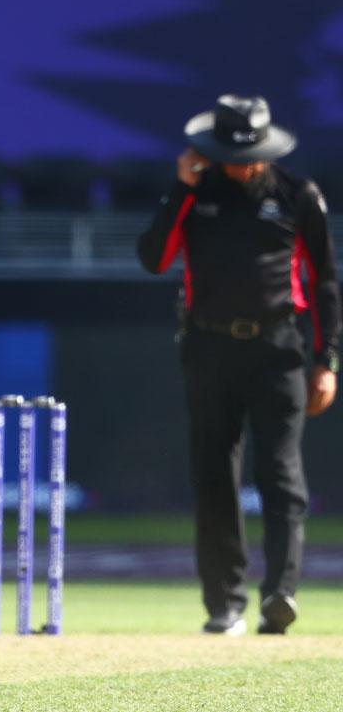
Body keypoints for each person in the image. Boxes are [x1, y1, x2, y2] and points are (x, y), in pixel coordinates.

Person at [137, 94, 340, 636]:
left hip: (278, 351)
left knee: (280, 474)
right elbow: (154, 259)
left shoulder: (298, 196)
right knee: (214, 477)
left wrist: (328, 362)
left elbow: (324, 282)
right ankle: (225, 604)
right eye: (231, 155)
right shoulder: (195, 194)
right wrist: (181, 185)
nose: (243, 165)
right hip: (208, 350)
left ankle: (280, 594)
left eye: (250, 155)